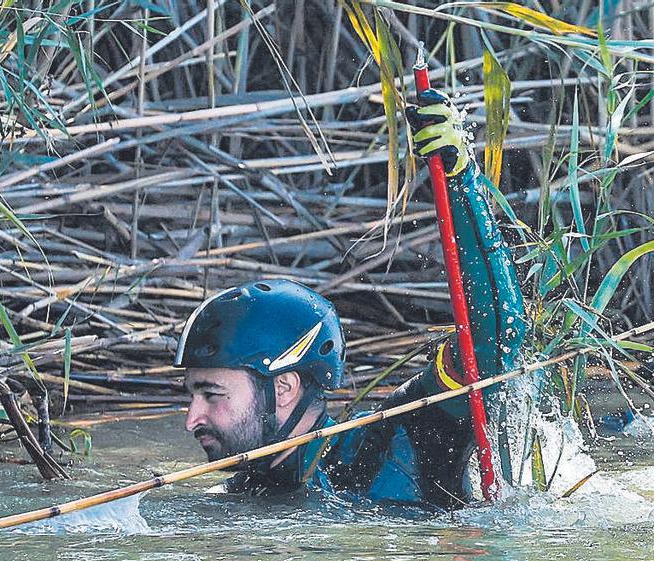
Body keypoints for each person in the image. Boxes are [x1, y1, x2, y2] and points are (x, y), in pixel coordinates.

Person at [174, 88, 526, 510]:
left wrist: (460, 181)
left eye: (212, 395)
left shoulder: (401, 434)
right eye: (193, 395)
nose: (192, 418)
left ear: (284, 387)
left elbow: (495, 338)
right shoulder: (236, 496)